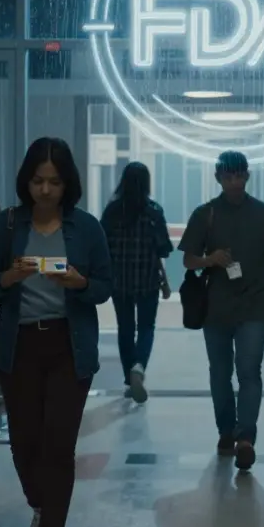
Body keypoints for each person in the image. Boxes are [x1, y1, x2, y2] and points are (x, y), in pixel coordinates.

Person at [0, 137, 112, 527]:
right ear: (26, 181)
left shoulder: (86, 228)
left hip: (68, 344)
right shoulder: (9, 224)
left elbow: (105, 287)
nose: (46, 190)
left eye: (54, 182)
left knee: (58, 443)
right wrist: (7, 277)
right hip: (18, 345)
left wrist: (79, 285)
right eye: (38, 181)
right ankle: (41, 502)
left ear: (67, 183)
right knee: (24, 442)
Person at [179, 150, 264, 471]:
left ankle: (246, 437)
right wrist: (209, 259)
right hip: (215, 307)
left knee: (249, 371)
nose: (233, 182)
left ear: (247, 176)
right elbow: (188, 260)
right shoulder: (206, 214)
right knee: (219, 373)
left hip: (255, 304)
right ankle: (226, 430)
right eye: (227, 176)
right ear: (218, 178)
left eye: (238, 175)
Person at [100, 161, 174, 403]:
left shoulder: (112, 212)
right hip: (147, 281)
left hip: (119, 281)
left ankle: (128, 379)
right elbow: (163, 248)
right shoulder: (154, 211)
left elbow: (101, 245)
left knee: (125, 328)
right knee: (146, 328)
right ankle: (139, 368)